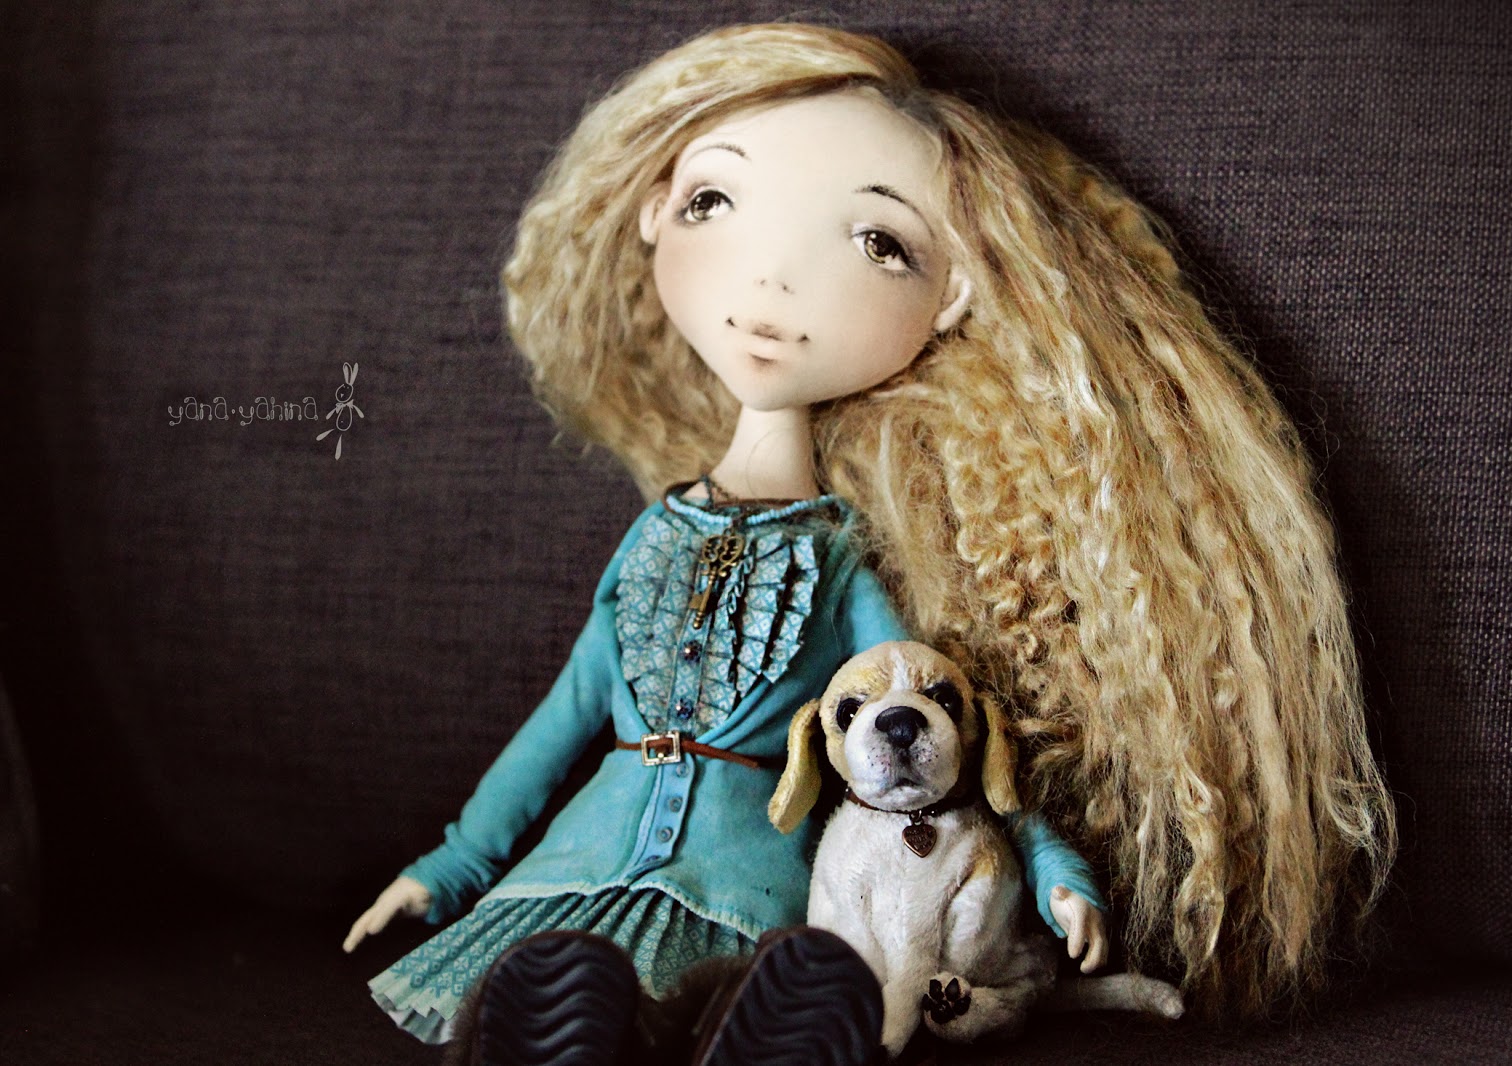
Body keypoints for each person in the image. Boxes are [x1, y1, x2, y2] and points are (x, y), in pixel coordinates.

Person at [344, 20, 1395, 1058]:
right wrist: (453, 866)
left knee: (743, 990)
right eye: (714, 201)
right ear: (656, 210)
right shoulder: (653, 534)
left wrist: (1053, 873)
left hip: (743, 880)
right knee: (548, 980)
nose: (772, 281)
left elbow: (941, 737)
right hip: (578, 863)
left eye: (879, 244)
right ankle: (573, 1024)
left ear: (952, 298)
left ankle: (717, 1028)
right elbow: (565, 715)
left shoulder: (841, 556)